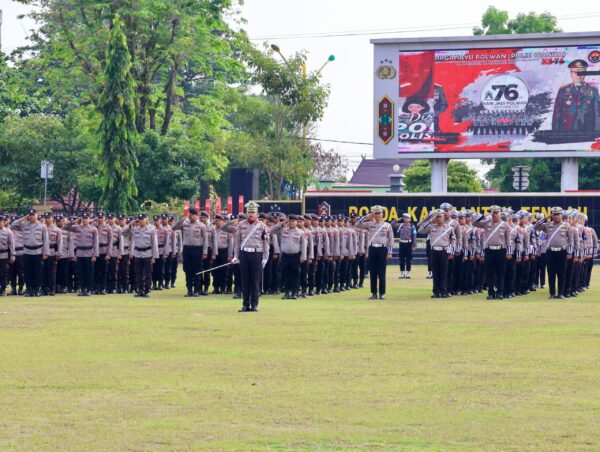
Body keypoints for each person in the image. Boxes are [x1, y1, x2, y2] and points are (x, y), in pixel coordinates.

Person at [231, 202, 269, 312]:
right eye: (249, 212)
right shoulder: (241, 225)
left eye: (253, 212)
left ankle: (255, 304)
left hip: (256, 254)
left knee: (255, 281)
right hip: (244, 254)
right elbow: (237, 242)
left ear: (257, 213)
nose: (251, 214)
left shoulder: (262, 226)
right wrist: (235, 256)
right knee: (245, 280)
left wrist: (265, 257)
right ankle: (245, 304)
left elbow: (266, 243)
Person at [473, 206, 512, 300]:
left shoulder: (505, 225)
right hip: (489, 250)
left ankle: (500, 292)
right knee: (489, 272)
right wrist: (482, 216)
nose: (494, 214)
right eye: (493, 212)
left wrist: (509, 252)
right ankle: (491, 292)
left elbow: (508, 240)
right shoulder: (486, 223)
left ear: (500, 213)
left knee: (501, 272)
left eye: (496, 213)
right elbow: (474, 223)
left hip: (501, 250)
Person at [355, 205, 394, 300]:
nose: (377, 215)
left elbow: (391, 240)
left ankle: (381, 293)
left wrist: (389, 252)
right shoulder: (370, 224)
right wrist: (367, 216)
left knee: (381, 272)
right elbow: (357, 225)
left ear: (382, 214)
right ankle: (373, 293)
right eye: (375, 213)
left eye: (378, 213)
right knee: (373, 272)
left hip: (382, 249)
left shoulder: (387, 225)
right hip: (372, 249)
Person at [534, 207, 574, 299]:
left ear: (561, 215)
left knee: (561, 273)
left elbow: (571, 240)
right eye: (554, 214)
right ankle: (552, 293)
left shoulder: (566, 225)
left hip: (562, 251)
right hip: (550, 252)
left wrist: (570, 252)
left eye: (558, 214)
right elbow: (535, 226)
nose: (556, 216)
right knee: (551, 273)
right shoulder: (548, 225)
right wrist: (545, 218)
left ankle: (560, 293)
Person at [552, 59, 600, 132]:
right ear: (571, 73)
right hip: (567, 131)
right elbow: (557, 115)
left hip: (588, 130)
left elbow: (598, 114)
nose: (579, 76)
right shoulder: (563, 90)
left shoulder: (593, 90)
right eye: (576, 73)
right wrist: (555, 133)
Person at [10, 209, 50, 297]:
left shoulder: (42, 226)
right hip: (27, 251)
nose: (31, 216)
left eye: (33, 214)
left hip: (38, 251)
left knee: (38, 272)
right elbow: (13, 225)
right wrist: (24, 218)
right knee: (28, 272)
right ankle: (29, 289)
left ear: (37, 215)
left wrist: (45, 253)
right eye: (30, 214)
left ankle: (36, 289)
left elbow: (45, 240)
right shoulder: (24, 225)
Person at [418, 209, 455, 298]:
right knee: (435, 272)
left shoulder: (449, 228)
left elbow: (453, 240)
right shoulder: (431, 227)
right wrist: (430, 220)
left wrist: (450, 252)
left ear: (443, 217)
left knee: (444, 272)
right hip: (434, 251)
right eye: (437, 217)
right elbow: (420, 230)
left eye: (440, 217)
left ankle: (443, 291)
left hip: (444, 251)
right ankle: (436, 291)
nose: (438, 219)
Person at [172, 208, 208, 297]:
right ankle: (189, 290)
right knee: (187, 270)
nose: (190, 216)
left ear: (196, 215)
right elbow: (174, 228)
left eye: (192, 214)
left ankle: (196, 290)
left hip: (197, 249)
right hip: (187, 249)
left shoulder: (201, 225)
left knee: (197, 270)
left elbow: (206, 240)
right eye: (189, 214)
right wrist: (182, 220)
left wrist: (205, 252)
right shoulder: (185, 224)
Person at [270, 215, 307, 300]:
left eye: (293, 221)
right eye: (290, 221)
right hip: (285, 256)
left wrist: (303, 257)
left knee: (295, 274)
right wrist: (282, 223)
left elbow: (303, 245)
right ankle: (286, 292)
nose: (291, 223)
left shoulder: (301, 232)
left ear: (296, 222)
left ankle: (294, 293)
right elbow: (272, 230)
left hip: (296, 255)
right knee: (285, 274)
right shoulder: (283, 230)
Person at [123, 213, 159, 298]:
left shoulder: (151, 229)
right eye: (139, 219)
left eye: (142, 219)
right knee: (138, 273)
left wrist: (154, 257)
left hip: (148, 253)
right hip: (138, 254)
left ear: (146, 219)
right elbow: (123, 233)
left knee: (147, 273)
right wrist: (130, 224)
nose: (140, 220)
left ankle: (146, 290)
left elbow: (154, 243)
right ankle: (139, 290)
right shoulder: (135, 229)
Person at [64, 213, 99, 297]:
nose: (84, 219)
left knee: (89, 273)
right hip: (79, 253)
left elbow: (95, 243)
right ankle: (82, 289)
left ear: (89, 219)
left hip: (89, 253)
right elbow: (65, 227)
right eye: (83, 218)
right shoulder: (77, 227)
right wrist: (74, 221)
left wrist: (95, 255)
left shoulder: (93, 229)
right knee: (80, 273)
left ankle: (89, 289)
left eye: (86, 218)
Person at [42, 212, 62, 296]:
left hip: (52, 252)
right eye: (45, 217)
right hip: (42, 253)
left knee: (52, 272)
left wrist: (59, 253)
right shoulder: (42, 228)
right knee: (43, 272)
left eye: (48, 217)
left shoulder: (57, 230)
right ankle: (44, 288)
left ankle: (51, 289)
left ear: (52, 218)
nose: (47, 219)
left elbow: (59, 242)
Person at [393, 213, 417, 279]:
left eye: (407, 218)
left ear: (409, 219)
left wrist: (414, 245)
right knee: (401, 259)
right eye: (404, 217)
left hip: (409, 244)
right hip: (402, 243)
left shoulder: (412, 226)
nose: (405, 219)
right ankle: (402, 273)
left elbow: (414, 236)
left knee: (409, 259)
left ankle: (408, 273)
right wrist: (396, 220)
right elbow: (392, 225)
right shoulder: (400, 225)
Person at [0, 215, 16, 296]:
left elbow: (12, 245)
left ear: (3, 222)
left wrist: (13, 255)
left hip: (4, 255)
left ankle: (2, 289)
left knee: (3, 273)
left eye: (1, 221)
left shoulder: (8, 232)